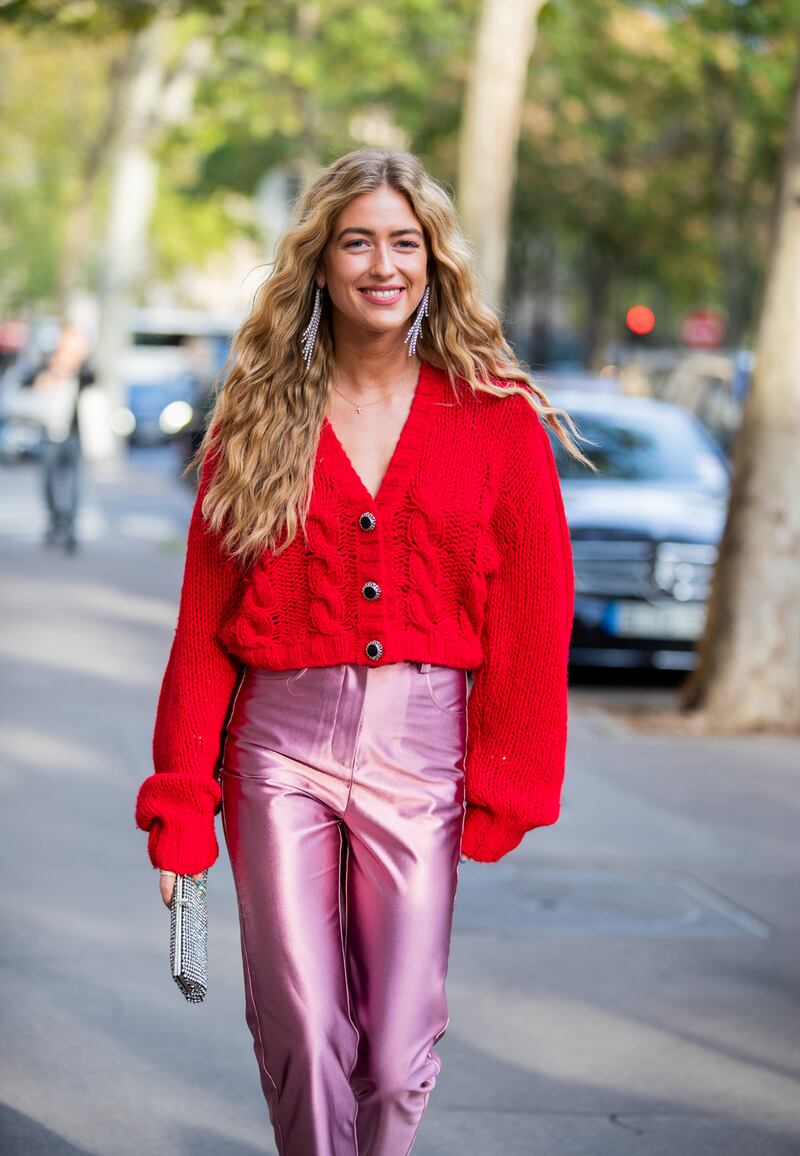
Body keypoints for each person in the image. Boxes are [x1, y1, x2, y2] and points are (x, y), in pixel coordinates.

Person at [135, 147, 590, 1156]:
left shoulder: (497, 420)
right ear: (320, 263)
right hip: (278, 751)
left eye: (403, 242)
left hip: (422, 753)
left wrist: (511, 776)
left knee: (393, 1052)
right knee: (301, 1027)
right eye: (356, 243)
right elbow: (205, 624)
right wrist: (181, 801)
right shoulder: (256, 420)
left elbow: (533, 611)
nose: (382, 264)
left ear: (432, 261)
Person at [30, 323, 94, 553]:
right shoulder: (47, 365)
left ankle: (71, 529)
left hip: (75, 435)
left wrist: (75, 369)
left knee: (75, 484)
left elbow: (95, 383)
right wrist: (49, 376)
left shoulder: (84, 371)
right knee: (48, 482)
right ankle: (54, 519)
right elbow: (28, 383)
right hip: (49, 435)